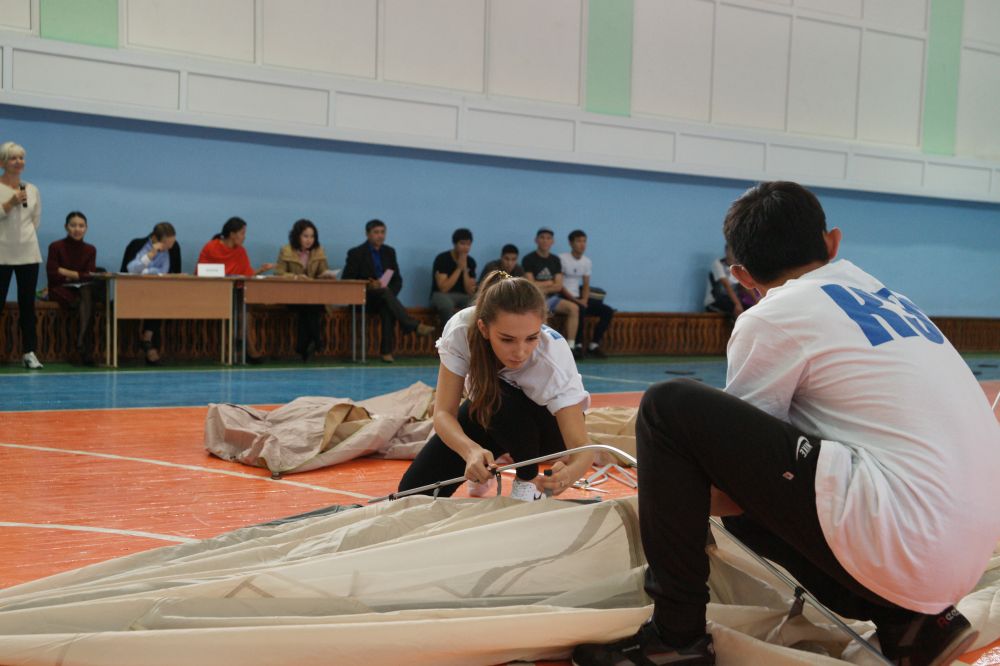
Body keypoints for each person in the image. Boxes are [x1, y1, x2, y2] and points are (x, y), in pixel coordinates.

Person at [572, 181, 1000, 666]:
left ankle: (676, 636)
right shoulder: (888, 297)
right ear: (833, 243)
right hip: (970, 547)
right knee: (754, 510)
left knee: (666, 408)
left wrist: (664, 496)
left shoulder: (775, 314)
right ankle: (913, 624)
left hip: (913, 542)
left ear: (741, 275)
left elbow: (728, 478)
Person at [398, 271, 594, 501]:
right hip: (489, 414)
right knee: (411, 495)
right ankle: (488, 459)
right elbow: (442, 414)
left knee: (499, 397)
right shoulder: (461, 330)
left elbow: (582, 448)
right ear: (483, 329)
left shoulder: (553, 357)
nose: (520, 352)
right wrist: (470, 450)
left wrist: (569, 473)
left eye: (531, 338)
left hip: (546, 432)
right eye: (507, 339)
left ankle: (528, 481)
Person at [342, 219, 433, 363]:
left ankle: (386, 352)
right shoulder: (356, 253)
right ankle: (413, 326)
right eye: (376, 232)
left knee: (387, 305)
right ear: (367, 234)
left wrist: (390, 292)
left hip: (384, 297)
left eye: (383, 232)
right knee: (385, 295)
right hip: (363, 298)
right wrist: (368, 285)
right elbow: (347, 279)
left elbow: (397, 280)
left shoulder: (389, 252)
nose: (380, 236)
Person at [198, 217, 275, 363]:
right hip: (213, 291)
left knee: (245, 303)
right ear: (232, 234)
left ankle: (243, 340)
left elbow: (246, 275)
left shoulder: (241, 251)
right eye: (242, 233)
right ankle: (246, 346)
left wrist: (261, 270)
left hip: (235, 291)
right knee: (241, 305)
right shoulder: (211, 247)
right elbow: (200, 271)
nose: (244, 237)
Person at [0, 141, 43, 369]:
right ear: (2, 163)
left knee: (28, 304)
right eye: (13, 158)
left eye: (21, 158)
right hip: (2, 253)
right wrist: (10, 203)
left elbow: (35, 220)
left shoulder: (32, 189)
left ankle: (29, 352)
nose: (18, 162)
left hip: (28, 253)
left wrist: (24, 237)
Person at [46, 211, 101, 365]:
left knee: (86, 294)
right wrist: (77, 275)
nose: (77, 229)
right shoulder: (56, 246)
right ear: (66, 227)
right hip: (59, 289)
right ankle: (82, 347)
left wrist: (66, 272)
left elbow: (89, 275)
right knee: (84, 302)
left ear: (86, 228)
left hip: (80, 290)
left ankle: (80, 344)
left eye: (81, 226)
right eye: (73, 225)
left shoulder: (90, 249)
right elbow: (53, 274)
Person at [275, 218, 333, 361]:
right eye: (305, 236)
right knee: (308, 308)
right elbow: (278, 274)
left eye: (312, 236)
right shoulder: (286, 250)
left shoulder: (319, 251)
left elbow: (323, 272)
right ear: (297, 236)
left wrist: (326, 275)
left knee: (310, 307)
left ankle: (302, 349)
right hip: (291, 296)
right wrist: (295, 277)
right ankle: (316, 341)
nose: (309, 240)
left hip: (314, 297)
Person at [123, 221, 180, 365]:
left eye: (172, 243)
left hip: (159, 291)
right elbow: (131, 269)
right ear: (155, 238)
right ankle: (147, 341)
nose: (169, 247)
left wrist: (146, 271)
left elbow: (165, 271)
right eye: (166, 244)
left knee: (161, 299)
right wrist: (151, 255)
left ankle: (147, 337)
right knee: (155, 299)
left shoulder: (172, 249)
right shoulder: (138, 246)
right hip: (135, 290)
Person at [522, 228, 580, 358]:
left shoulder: (555, 260)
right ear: (536, 240)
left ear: (552, 241)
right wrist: (549, 283)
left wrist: (542, 285)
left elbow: (558, 286)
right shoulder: (528, 259)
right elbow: (530, 285)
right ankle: (540, 349)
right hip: (535, 299)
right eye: (542, 237)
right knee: (540, 313)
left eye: (548, 238)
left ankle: (571, 346)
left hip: (553, 299)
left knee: (574, 308)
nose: (545, 241)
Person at [558, 229, 615, 359]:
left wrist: (584, 299)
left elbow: (586, 284)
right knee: (580, 309)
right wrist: (577, 301)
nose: (582, 244)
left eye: (584, 241)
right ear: (571, 243)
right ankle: (577, 345)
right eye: (578, 241)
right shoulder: (562, 258)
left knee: (607, 311)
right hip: (565, 296)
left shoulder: (586, 261)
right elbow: (560, 285)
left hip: (579, 297)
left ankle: (593, 345)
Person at [430, 228, 477, 325]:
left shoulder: (471, 261)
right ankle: (449, 331)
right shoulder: (442, 258)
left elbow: (470, 291)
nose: (465, 247)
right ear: (455, 244)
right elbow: (443, 288)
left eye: (468, 244)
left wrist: (465, 270)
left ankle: (468, 332)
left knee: (475, 303)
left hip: (463, 296)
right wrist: (459, 269)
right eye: (462, 243)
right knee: (446, 305)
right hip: (441, 294)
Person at [704, 244, 757, 319]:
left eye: (736, 251)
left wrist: (757, 301)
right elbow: (726, 285)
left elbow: (745, 286)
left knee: (751, 310)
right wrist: (737, 304)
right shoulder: (717, 264)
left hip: (732, 301)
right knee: (738, 311)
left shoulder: (738, 267)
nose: (734, 254)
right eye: (732, 251)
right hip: (714, 302)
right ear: (726, 251)